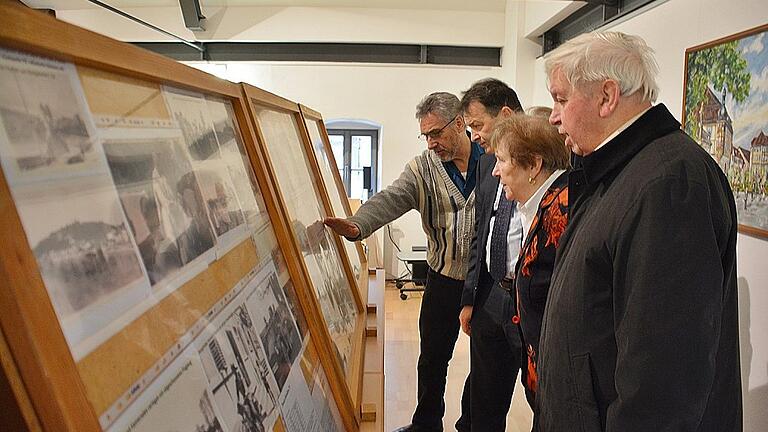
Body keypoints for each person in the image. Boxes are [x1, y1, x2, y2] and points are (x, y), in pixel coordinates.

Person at [537, 31, 741, 431]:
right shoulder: (618, 170)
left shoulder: (670, 183)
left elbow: (663, 381)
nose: (553, 115)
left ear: (607, 96)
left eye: (561, 99)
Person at [324, 92, 483, 432]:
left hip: (486, 283)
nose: (431, 143)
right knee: (432, 360)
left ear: (459, 124)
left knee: (485, 363)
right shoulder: (422, 169)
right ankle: (426, 425)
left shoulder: (493, 159)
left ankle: (471, 425)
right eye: (425, 136)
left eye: (436, 133)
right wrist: (358, 225)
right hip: (443, 279)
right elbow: (390, 198)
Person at [455, 78, 524, 432]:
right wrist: (470, 298)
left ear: (507, 115)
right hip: (490, 296)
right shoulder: (485, 165)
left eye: (478, 126)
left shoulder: (550, 159)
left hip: (528, 300)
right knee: (482, 400)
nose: (475, 136)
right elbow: (479, 233)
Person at [488, 114, 569, 415]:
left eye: (502, 160)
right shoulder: (540, 205)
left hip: (560, 381)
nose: (495, 171)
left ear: (533, 165)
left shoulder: (562, 209)